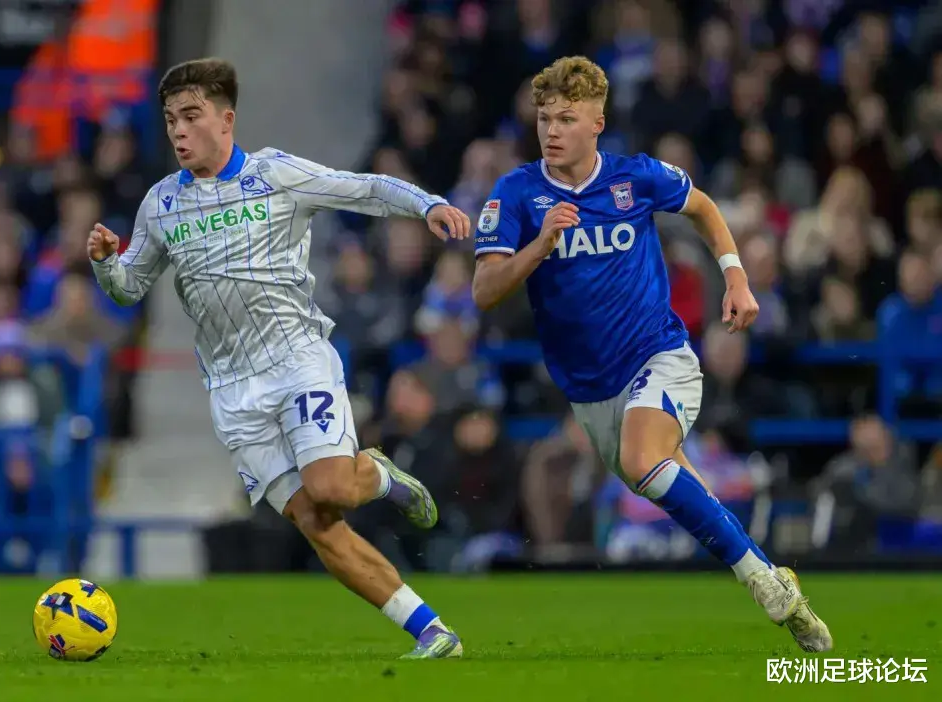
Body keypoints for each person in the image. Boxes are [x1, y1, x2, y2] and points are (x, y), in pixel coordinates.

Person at [88, 59, 470, 659]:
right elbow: (129, 288)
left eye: (190, 116)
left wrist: (427, 205)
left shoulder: (276, 175)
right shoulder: (161, 204)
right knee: (315, 522)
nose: (178, 131)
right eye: (170, 120)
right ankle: (432, 632)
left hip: (297, 361)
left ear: (226, 120)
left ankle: (378, 476)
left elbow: (364, 188)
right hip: (232, 391)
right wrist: (107, 262)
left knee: (332, 488)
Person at [471, 56, 832, 652]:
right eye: (544, 119)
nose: (552, 131)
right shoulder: (516, 193)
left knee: (644, 460)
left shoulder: (634, 177)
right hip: (590, 392)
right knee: (678, 490)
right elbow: (484, 291)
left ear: (597, 124)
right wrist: (539, 245)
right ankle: (770, 580)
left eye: (566, 119)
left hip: (658, 355)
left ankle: (767, 588)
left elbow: (704, 207)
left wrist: (736, 277)